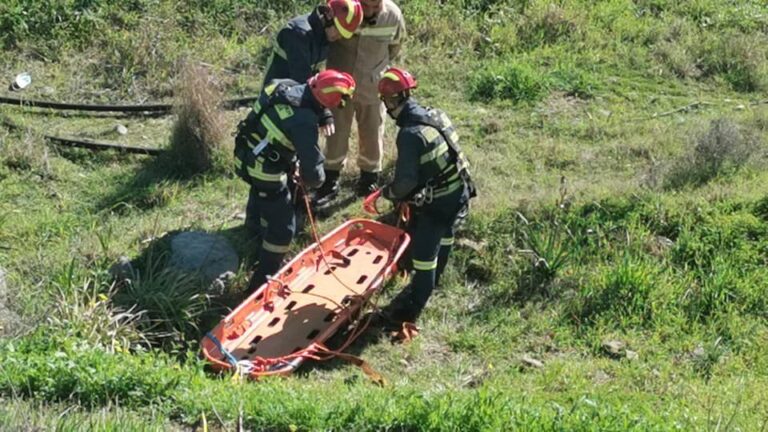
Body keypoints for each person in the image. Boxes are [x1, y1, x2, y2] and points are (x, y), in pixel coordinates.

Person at [234, 70, 357, 290]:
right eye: (339, 102)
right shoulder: (303, 121)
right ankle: (262, 281)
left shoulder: (285, 84)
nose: (338, 107)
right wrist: (317, 179)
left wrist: (324, 114)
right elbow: (313, 174)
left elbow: (306, 104)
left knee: (263, 198)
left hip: (246, 153)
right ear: (327, 98)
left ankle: (254, 234)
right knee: (283, 229)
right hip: (265, 170)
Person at [374, 67, 476, 323]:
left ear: (392, 100)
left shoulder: (409, 134)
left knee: (423, 255)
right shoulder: (434, 115)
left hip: (439, 201)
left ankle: (413, 305)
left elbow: (406, 181)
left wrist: (387, 193)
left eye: (385, 101)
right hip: (459, 189)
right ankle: (436, 278)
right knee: (446, 235)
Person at [313, 0, 406, 206]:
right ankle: (330, 178)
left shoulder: (393, 15)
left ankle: (369, 178)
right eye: (366, 6)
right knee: (336, 131)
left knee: (373, 131)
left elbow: (394, 47)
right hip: (338, 87)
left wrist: (377, 71)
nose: (371, 11)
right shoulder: (341, 10)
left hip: (372, 85)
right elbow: (322, 38)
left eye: (376, 6)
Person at [263, 0, 364, 137]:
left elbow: (313, 77)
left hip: (296, 96)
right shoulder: (298, 34)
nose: (338, 37)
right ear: (328, 16)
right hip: (275, 97)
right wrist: (324, 114)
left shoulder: (323, 36)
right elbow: (302, 78)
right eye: (338, 30)